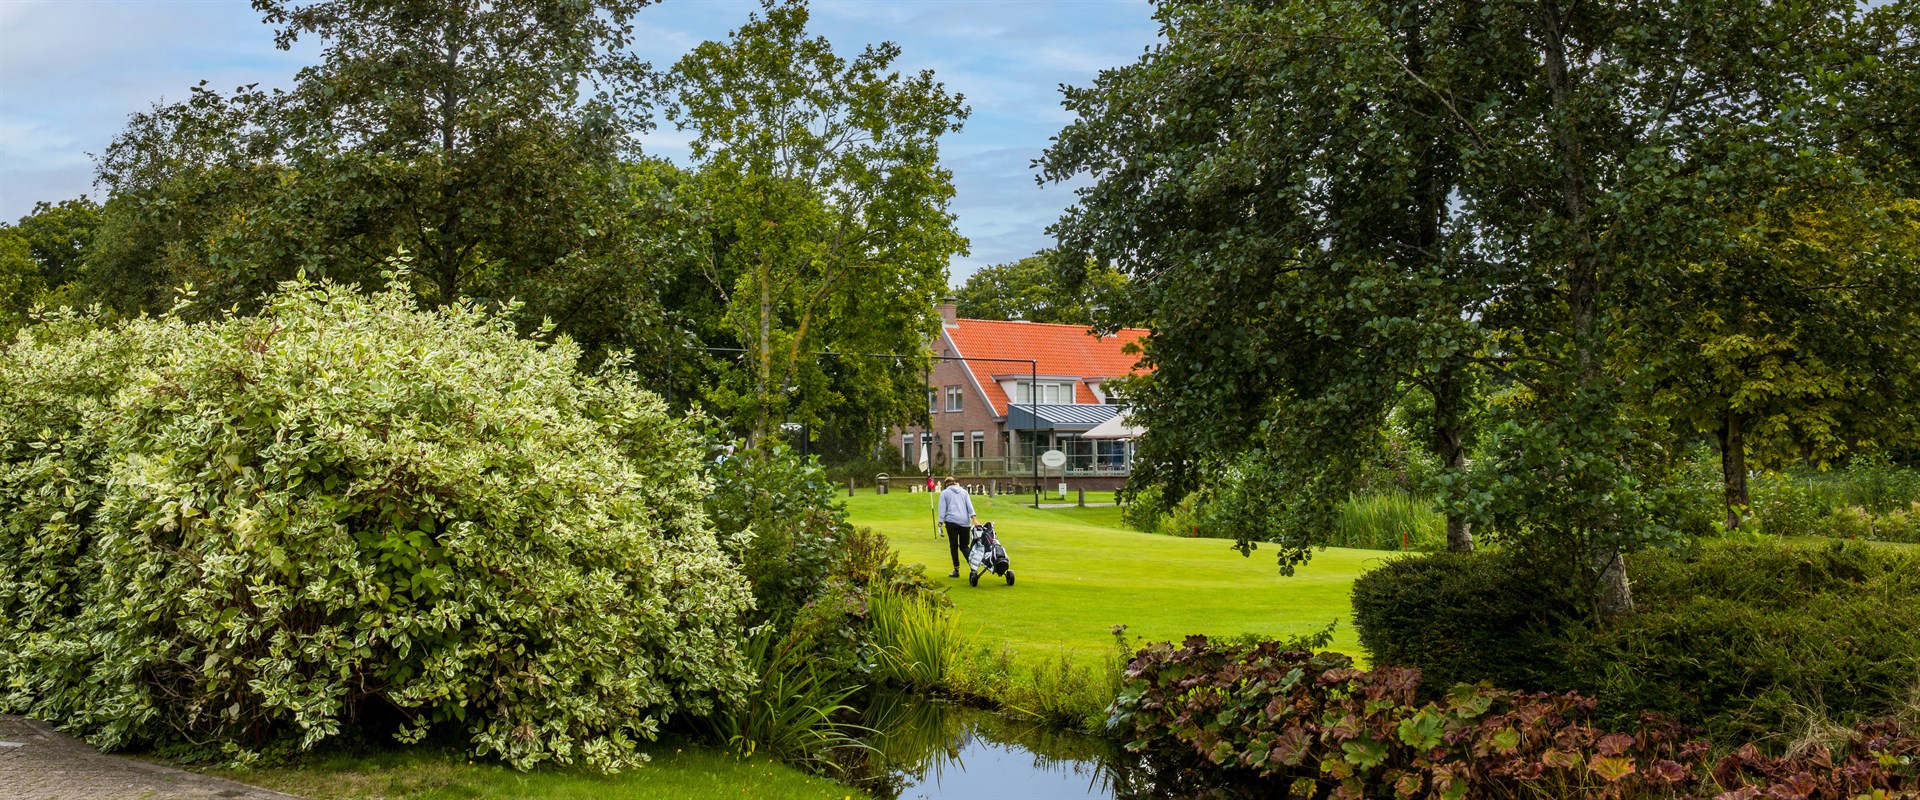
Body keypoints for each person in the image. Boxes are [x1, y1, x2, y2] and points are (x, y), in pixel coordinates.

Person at [937, 476, 978, 578]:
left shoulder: (945, 493)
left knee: (954, 546)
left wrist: (940, 523)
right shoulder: (964, 492)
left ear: (946, 484)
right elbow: (969, 506)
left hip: (951, 521)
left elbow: (942, 509)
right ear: (954, 482)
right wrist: (974, 518)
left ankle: (956, 570)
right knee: (964, 546)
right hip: (965, 522)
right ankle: (974, 567)